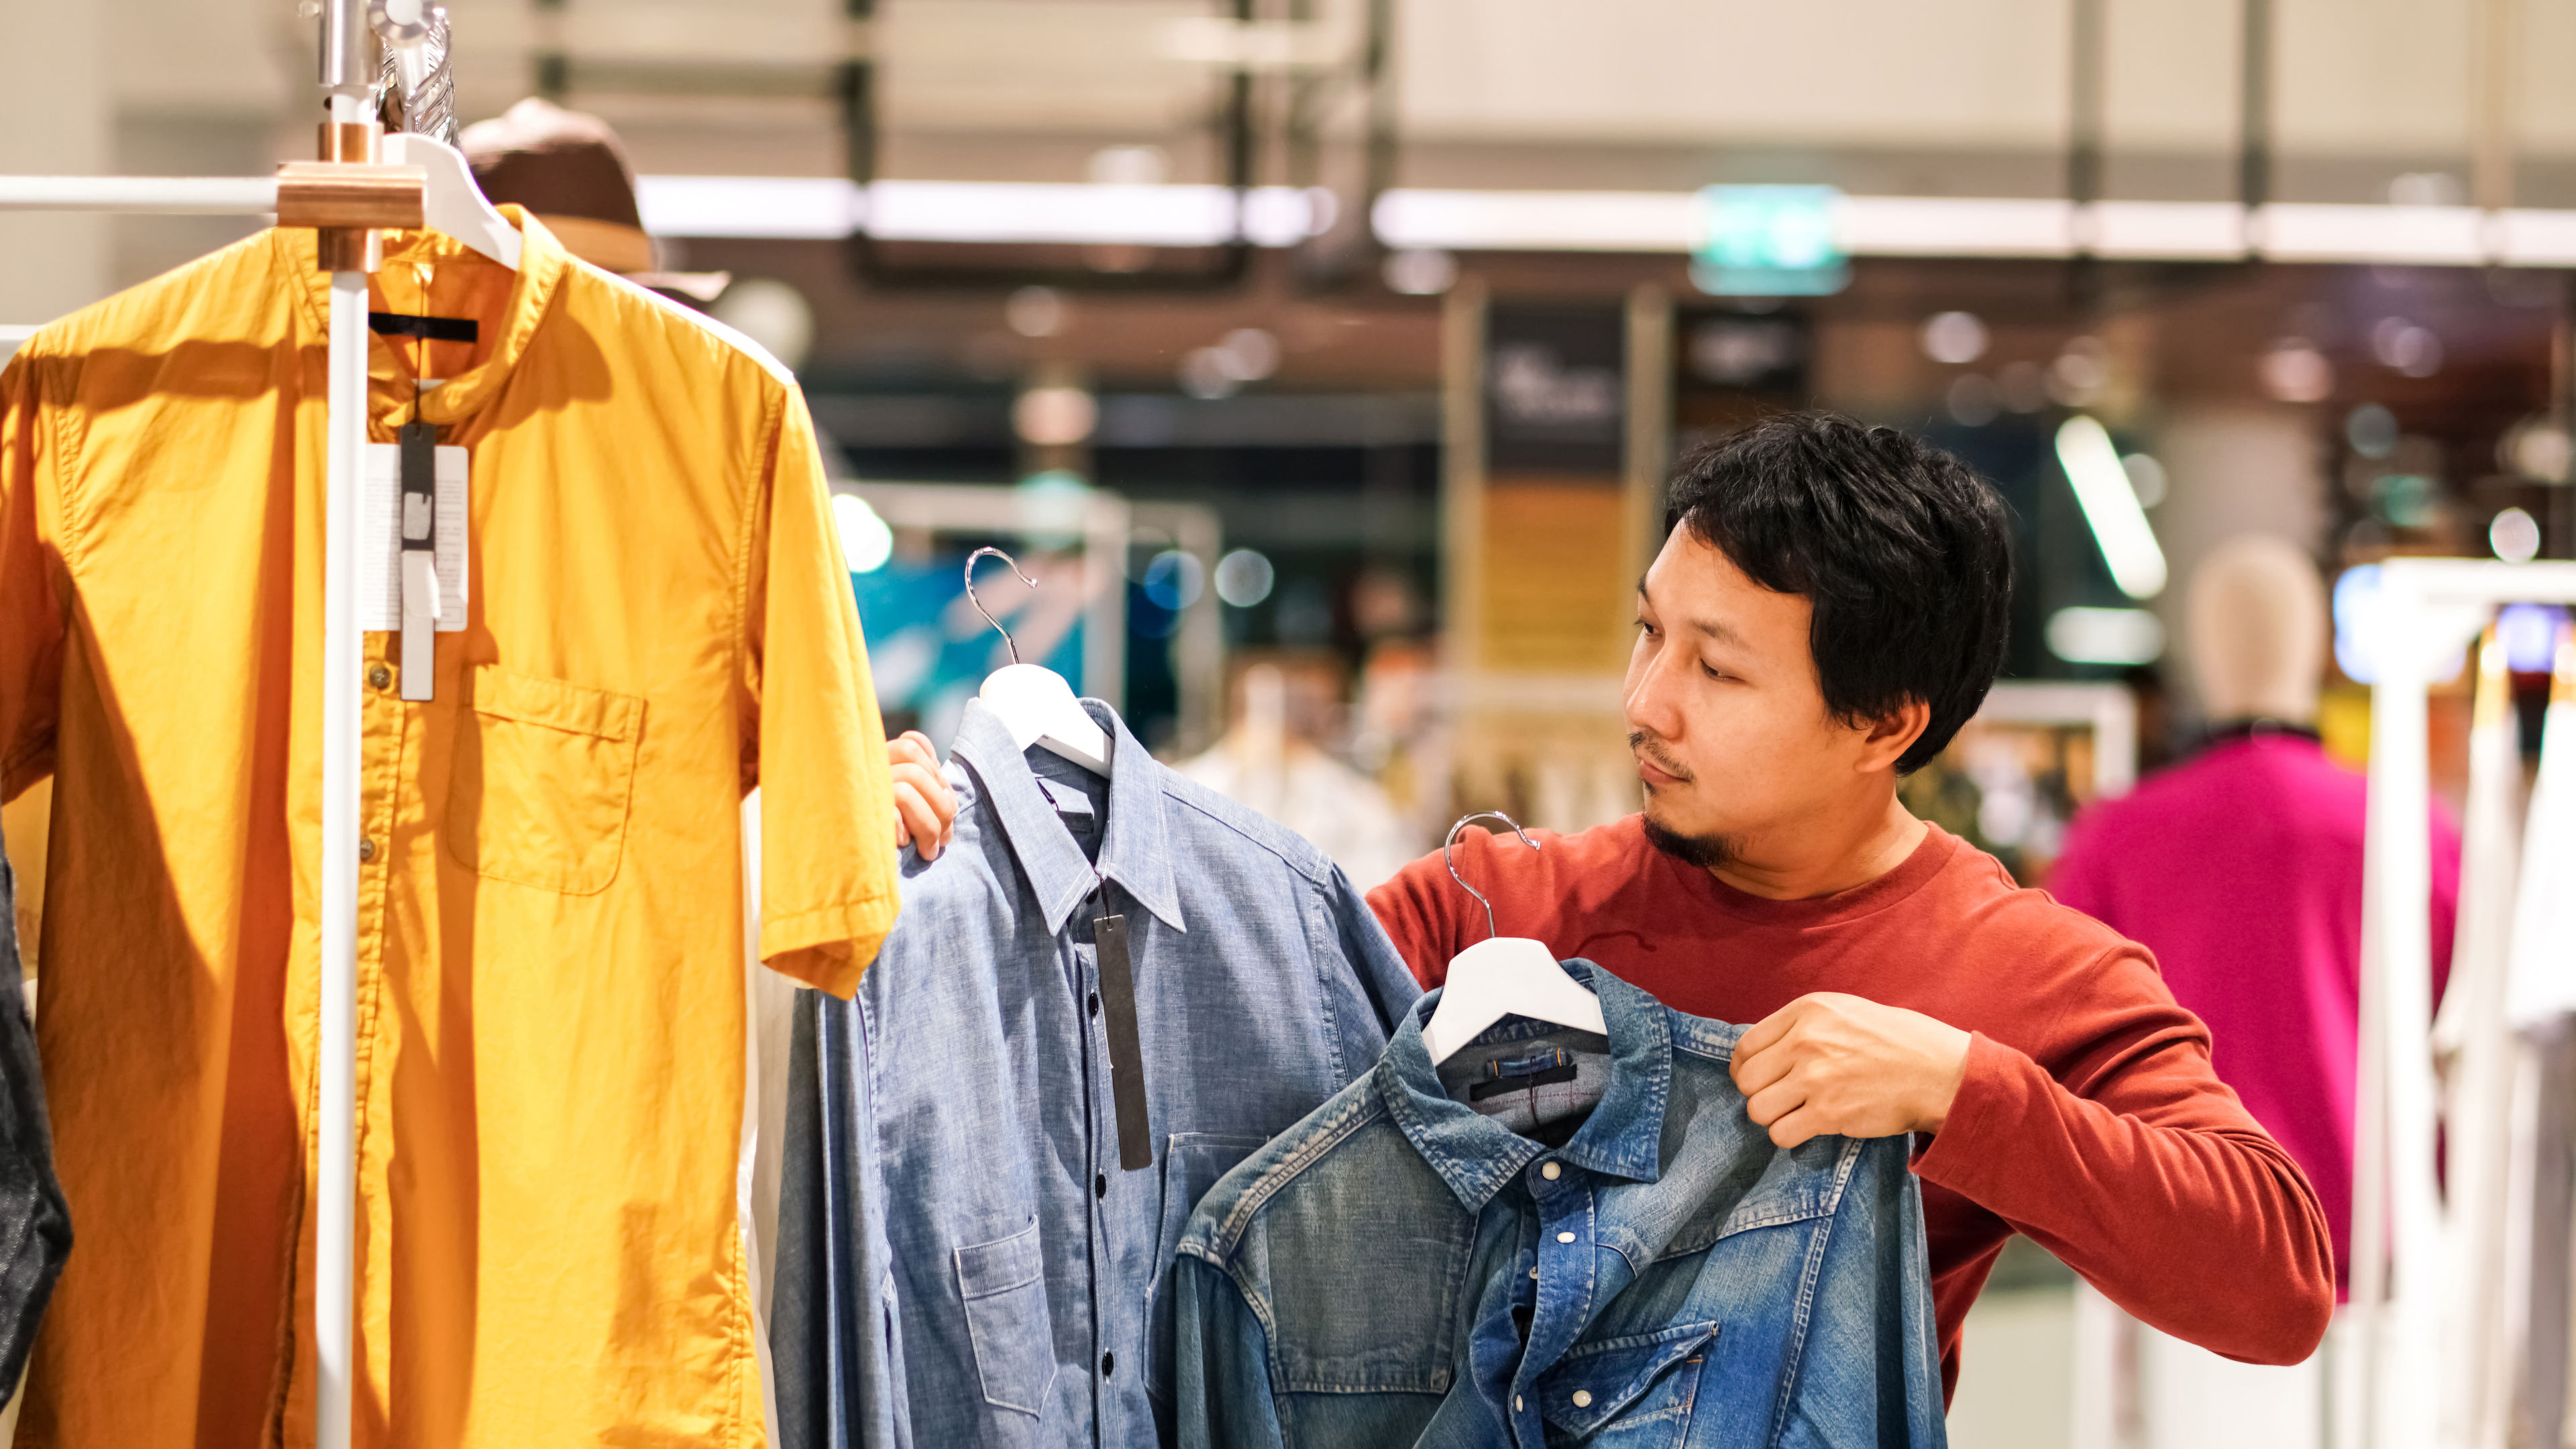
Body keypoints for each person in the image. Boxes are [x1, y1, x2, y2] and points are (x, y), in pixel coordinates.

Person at [1364, 414, 2332, 1398]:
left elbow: (2280, 1283)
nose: (1646, 704)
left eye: (1716, 668)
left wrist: (1963, 1093)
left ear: (1882, 724)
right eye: (1650, 631)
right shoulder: (1488, 908)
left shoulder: (2026, 972)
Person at [2047, 534, 2459, 1292]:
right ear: (2319, 647)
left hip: (2184, 1234)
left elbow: (2059, 1037)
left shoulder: (2116, 836)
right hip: (2378, 1233)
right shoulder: (2413, 824)